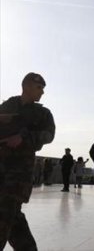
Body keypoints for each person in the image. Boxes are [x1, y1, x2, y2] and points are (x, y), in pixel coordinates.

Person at [0, 72, 55, 250]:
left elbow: (48, 135)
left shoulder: (42, 113)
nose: (42, 92)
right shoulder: (8, 105)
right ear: (27, 86)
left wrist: (24, 138)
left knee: (4, 215)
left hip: (18, 176)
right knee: (13, 218)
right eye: (39, 88)